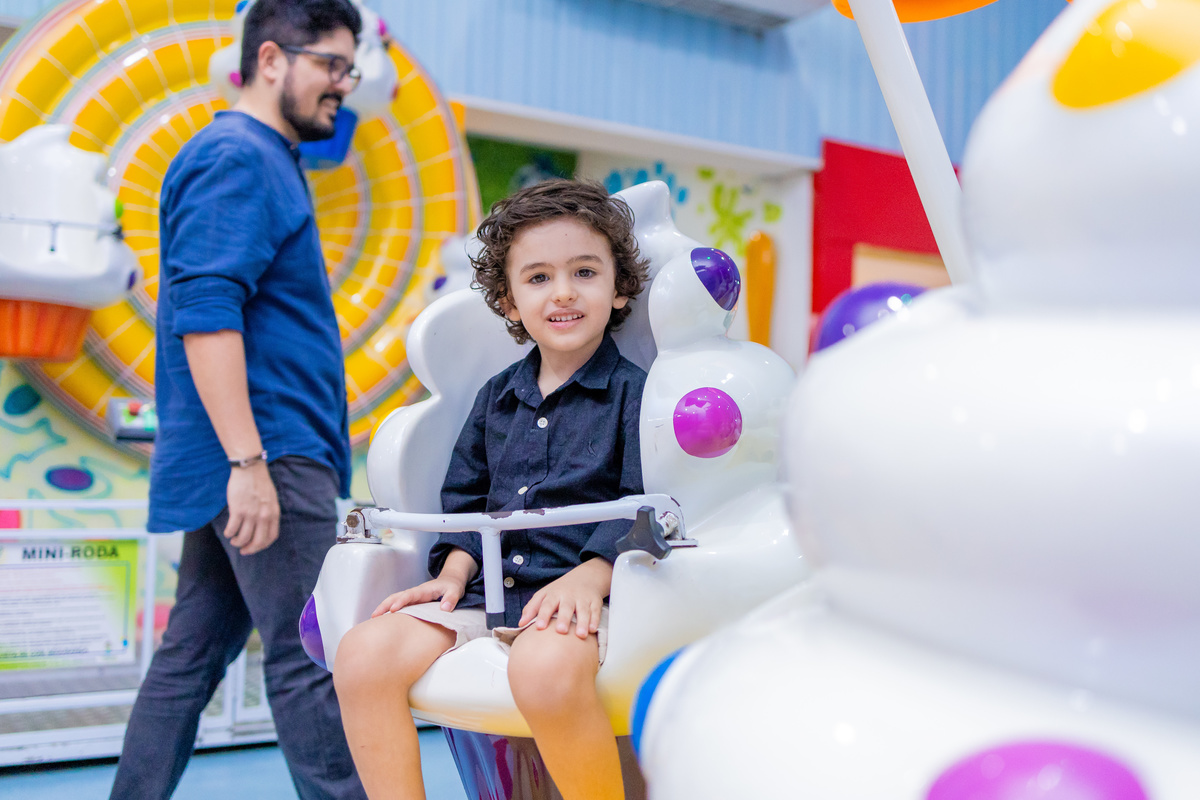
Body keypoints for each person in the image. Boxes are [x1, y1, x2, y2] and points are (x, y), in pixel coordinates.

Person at [109, 1, 367, 798]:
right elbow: (205, 312)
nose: (342, 84)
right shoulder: (237, 156)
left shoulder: (267, 159)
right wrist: (249, 463)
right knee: (309, 655)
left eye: (349, 68)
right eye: (330, 63)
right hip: (267, 454)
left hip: (260, 453)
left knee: (190, 658)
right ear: (271, 59)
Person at [334, 179, 650, 800]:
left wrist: (592, 576)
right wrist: (453, 573)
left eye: (585, 272)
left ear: (618, 290)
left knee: (542, 668)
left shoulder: (638, 395)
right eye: (539, 278)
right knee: (362, 655)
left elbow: (648, 501)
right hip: (490, 594)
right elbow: (466, 499)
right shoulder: (496, 397)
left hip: (582, 600)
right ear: (509, 302)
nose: (563, 292)